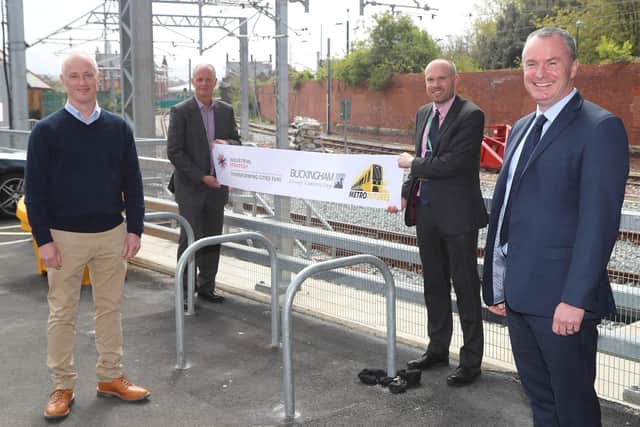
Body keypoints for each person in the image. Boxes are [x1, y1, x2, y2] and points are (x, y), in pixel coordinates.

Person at [482, 27, 629, 426]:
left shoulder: (600, 128)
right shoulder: (522, 128)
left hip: (563, 304)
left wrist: (576, 300)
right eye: (531, 63)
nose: (540, 73)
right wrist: (496, 283)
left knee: (575, 408)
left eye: (552, 62)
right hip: (518, 294)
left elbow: (599, 224)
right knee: (541, 402)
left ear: (574, 68)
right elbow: (507, 212)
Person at [25, 52, 150, 420]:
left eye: (88, 75)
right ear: (64, 81)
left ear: (99, 80)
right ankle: (62, 386)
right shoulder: (45, 131)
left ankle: (110, 377)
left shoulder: (119, 128)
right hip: (64, 239)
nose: (82, 82)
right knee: (62, 313)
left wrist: (135, 228)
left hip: (112, 234)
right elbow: (36, 192)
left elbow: (134, 183)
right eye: (75, 76)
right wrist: (43, 240)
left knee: (109, 310)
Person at [389, 59, 488, 386]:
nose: (435, 85)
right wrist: (405, 192)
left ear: (455, 80)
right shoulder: (423, 114)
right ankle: (438, 349)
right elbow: (420, 156)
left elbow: (452, 164)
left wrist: (411, 163)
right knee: (434, 284)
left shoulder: (471, 115)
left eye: (441, 79)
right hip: (426, 212)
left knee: (465, 286)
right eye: (430, 79)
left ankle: (471, 362)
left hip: (458, 215)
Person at [167, 63, 241, 306]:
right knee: (190, 240)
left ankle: (207, 287)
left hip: (217, 189)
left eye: (208, 79)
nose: (204, 84)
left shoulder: (225, 111)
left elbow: (237, 142)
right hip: (191, 188)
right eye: (199, 79)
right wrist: (201, 177)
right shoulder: (181, 111)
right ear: (193, 81)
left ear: (215, 82)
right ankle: (185, 293)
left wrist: (227, 143)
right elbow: (174, 152)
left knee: (212, 239)